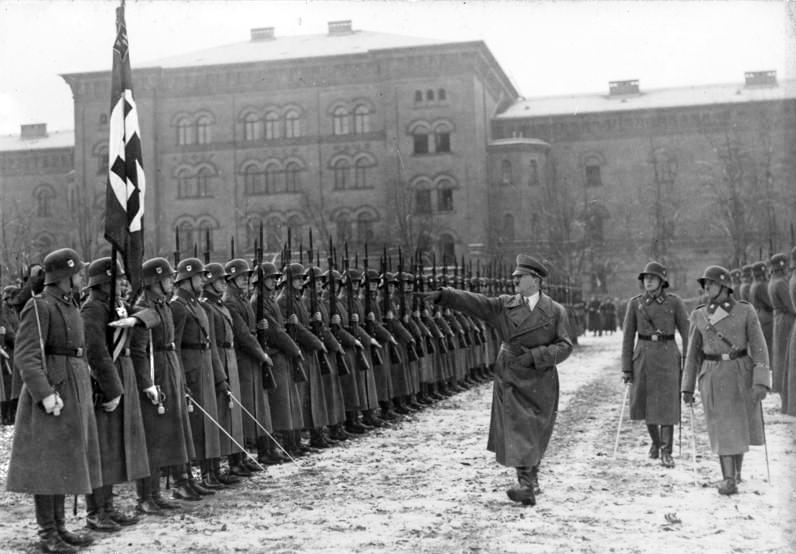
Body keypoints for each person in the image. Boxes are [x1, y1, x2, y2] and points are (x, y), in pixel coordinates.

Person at [422, 254, 572, 507]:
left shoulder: (556, 311)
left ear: (535, 280)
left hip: (541, 376)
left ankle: (531, 478)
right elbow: (476, 303)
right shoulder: (504, 305)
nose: (513, 280)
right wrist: (445, 295)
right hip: (511, 374)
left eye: (519, 277)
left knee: (536, 429)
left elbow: (565, 346)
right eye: (514, 276)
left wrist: (537, 356)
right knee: (518, 426)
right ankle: (525, 484)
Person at [6, 248, 99, 553]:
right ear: (64, 276)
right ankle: (48, 533)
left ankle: (59, 527)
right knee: (48, 465)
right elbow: (27, 357)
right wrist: (45, 394)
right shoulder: (39, 306)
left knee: (63, 461)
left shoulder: (67, 304)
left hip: (71, 389)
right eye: (77, 273)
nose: (81, 277)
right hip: (52, 394)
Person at [682, 265, 770, 496]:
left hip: (740, 371)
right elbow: (692, 355)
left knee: (738, 424)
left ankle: (736, 474)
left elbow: (759, 348)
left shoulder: (745, 311)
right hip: (712, 373)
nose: (706, 287)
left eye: (710, 283)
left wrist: (761, 381)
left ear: (724, 285)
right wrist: (687, 387)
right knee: (721, 426)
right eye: (704, 284)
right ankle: (728, 479)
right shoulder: (700, 315)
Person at [81, 258, 149, 532]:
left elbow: (150, 316)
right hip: (103, 385)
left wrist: (135, 318)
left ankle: (108, 507)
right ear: (103, 283)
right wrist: (112, 391)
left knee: (112, 449)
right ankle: (96, 511)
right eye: (117, 279)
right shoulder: (92, 309)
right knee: (102, 450)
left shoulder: (115, 307)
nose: (123, 284)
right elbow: (96, 353)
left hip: (119, 378)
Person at [130, 257, 193, 511]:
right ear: (155, 282)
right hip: (154, 373)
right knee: (152, 437)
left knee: (166, 433)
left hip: (169, 366)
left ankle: (155, 494)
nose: (171, 282)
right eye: (167, 278)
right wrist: (147, 383)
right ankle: (145, 497)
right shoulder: (143, 307)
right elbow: (138, 350)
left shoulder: (163, 305)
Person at [621, 261, 689, 468]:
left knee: (668, 403)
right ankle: (656, 442)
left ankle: (667, 452)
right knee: (646, 403)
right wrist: (626, 367)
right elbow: (627, 337)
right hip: (643, 356)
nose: (648, 281)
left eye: (652, 278)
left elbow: (687, 334)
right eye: (645, 278)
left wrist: (687, 363)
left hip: (668, 355)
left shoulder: (674, 303)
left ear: (662, 281)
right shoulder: (635, 304)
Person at [766, 253, 794, 397]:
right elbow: (791, 305)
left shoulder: (772, 281)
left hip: (778, 318)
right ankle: (783, 386)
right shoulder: (781, 283)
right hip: (786, 319)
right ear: (782, 266)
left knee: (779, 353)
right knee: (785, 354)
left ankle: (778, 384)